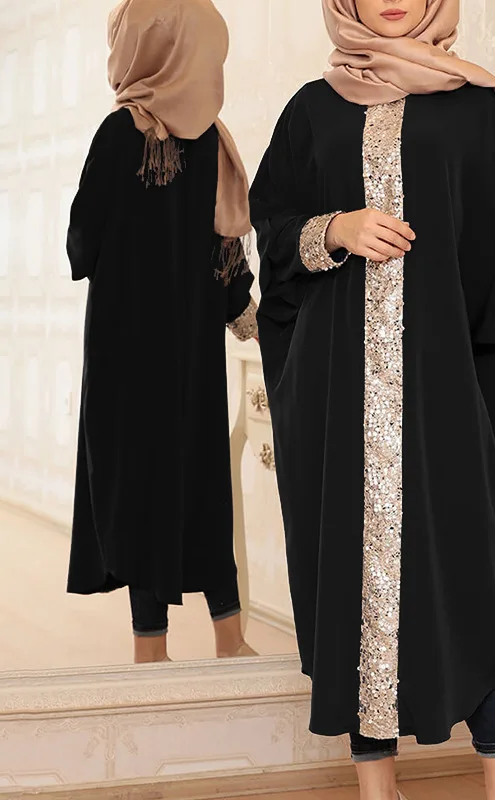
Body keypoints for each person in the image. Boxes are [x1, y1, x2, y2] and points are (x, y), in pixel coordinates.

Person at [250, 1, 495, 798]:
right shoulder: (312, 108)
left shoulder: (472, 108)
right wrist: (335, 230)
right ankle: (376, 784)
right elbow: (270, 228)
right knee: (352, 585)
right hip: (335, 396)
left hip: (443, 394)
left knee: (459, 582)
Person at [66, 0, 259, 665]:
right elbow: (227, 254)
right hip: (192, 356)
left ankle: (151, 650)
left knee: (139, 487)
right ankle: (231, 638)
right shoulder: (214, 144)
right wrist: (243, 312)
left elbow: (82, 245)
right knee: (201, 480)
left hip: (124, 356)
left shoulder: (120, 136)